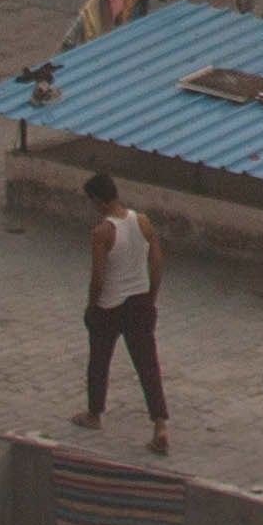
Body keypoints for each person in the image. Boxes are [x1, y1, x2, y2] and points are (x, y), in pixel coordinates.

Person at [79, 171, 170, 453]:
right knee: (148, 366)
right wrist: (151, 297)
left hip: (110, 306)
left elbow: (98, 278)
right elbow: (156, 263)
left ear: (98, 200)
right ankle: (160, 425)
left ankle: (94, 414)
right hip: (140, 301)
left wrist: (91, 307)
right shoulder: (141, 221)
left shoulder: (102, 233)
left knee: (99, 362)